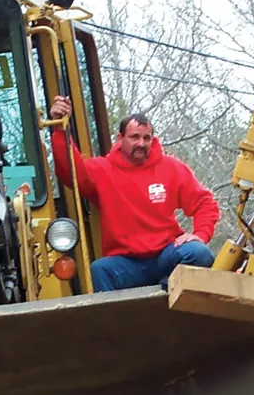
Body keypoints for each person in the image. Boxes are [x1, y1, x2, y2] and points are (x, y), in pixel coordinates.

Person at [48, 95, 220, 292]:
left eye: (147, 138)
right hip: (127, 264)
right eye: (135, 137)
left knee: (199, 253)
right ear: (120, 139)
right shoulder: (102, 170)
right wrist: (60, 130)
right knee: (99, 270)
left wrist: (200, 234)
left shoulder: (171, 168)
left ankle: (164, 294)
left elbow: (205, 203)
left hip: (166, 255)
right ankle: (117, 321)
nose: (141, 143)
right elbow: (69, 172)